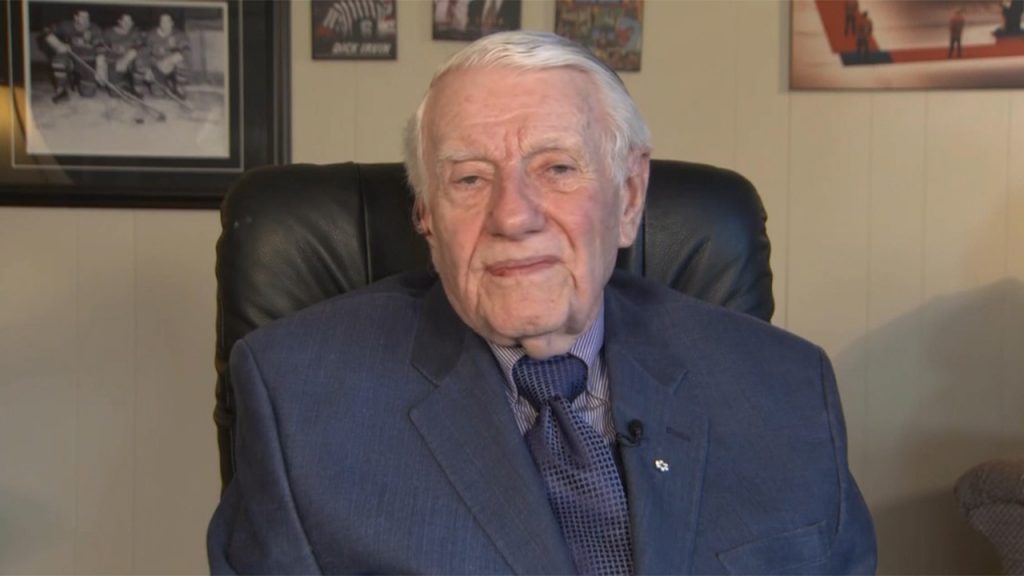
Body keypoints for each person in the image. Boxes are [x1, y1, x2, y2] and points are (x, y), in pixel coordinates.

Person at [207, 31, 876, 574]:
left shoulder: (786, 389)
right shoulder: (298, 401)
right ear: (427, 217)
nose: (514, 216)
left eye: (556, 168)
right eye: (470, 178)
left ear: (630, 196)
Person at [43, 9, 104, 104]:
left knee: (88, 93)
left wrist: (100, 68)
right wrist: (58, 44)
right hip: (70, 59)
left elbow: (100, 48)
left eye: (87, 17)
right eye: (83, 17)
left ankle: (80, 81)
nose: (86, 20)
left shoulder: (94, 28)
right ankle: (61, 90)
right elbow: (45, 30)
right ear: (75, 17)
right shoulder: (65, 25)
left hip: (87, 62)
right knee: (58, 61)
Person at [141, 13, 190, 100]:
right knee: (158, 94)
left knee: (181, 63)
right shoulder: (151, 35)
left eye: (167, 21)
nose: (165, 24)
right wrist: (147, 69)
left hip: (173, 66)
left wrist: (168, 61)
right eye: (162, 21)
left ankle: (179, 86)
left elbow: (186, 52)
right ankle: (165, 85)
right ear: (159, 23)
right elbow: (144, 54)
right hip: (157, 67)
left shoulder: (179, 35)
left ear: (172, 23)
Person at [97, 12, 145, 98]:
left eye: (129, 21)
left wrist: (126, 58)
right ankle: (123, 83)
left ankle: (136, 86)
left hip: (129, 63)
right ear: (119, 21)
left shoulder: (135, 33)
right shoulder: (108, 32)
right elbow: (100, 49)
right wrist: (100, 67)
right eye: (124, 21)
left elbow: (141, 47)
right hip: (113, 63)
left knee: (140, 61)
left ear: (132, 23)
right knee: (115, 93)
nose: (127, 24)